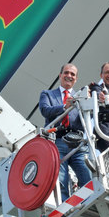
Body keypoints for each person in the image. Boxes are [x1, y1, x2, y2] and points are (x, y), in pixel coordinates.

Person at [39, 63, 92, 200]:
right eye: (66, 73)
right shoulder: (47, 94)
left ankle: (86, 202)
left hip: (78, 142)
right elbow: (45, 110)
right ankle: (64, 207)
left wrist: (95, 103)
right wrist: (64, 107)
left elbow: (88, 116)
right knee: (61, 179)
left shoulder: (82, 96)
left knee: (87, 174)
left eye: (72, 74)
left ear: (76, 79)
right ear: (60, 75)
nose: (69, 76)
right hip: (58, 140)